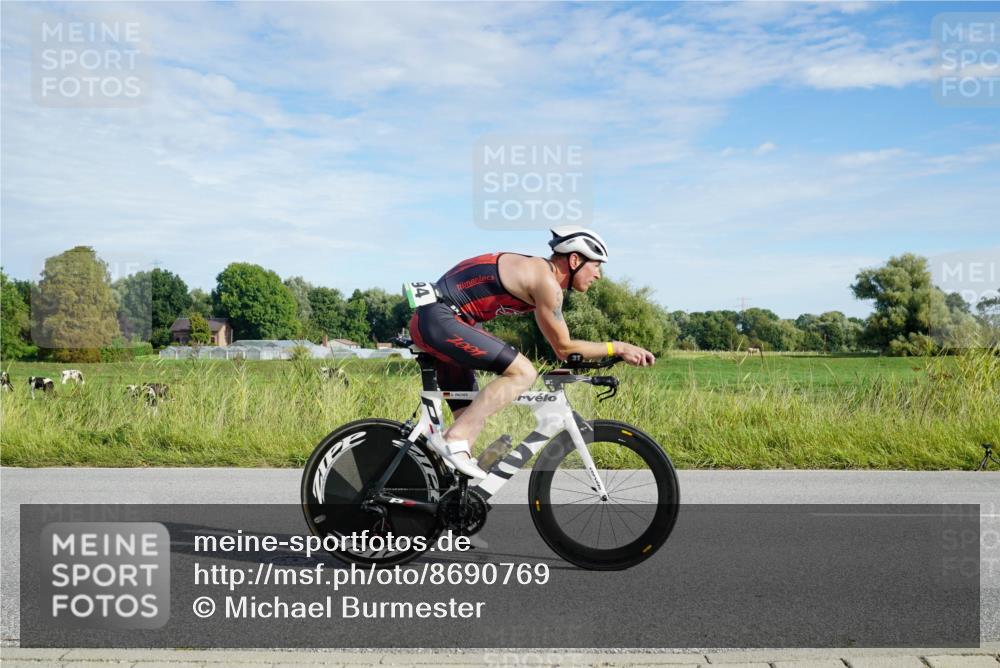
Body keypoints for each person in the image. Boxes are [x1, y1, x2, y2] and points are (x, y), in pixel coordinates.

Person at [408, 226, 656, 480]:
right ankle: (452, 439)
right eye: (596, 265)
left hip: (445, 320)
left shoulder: (537, 272)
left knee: (472, 416)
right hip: (440, 320)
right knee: (524, 373)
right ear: (574, 260)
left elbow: (560, 346)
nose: (598, 275)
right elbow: (564, 348)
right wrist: (619, 347)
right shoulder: (546, 282)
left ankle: (446, 491)